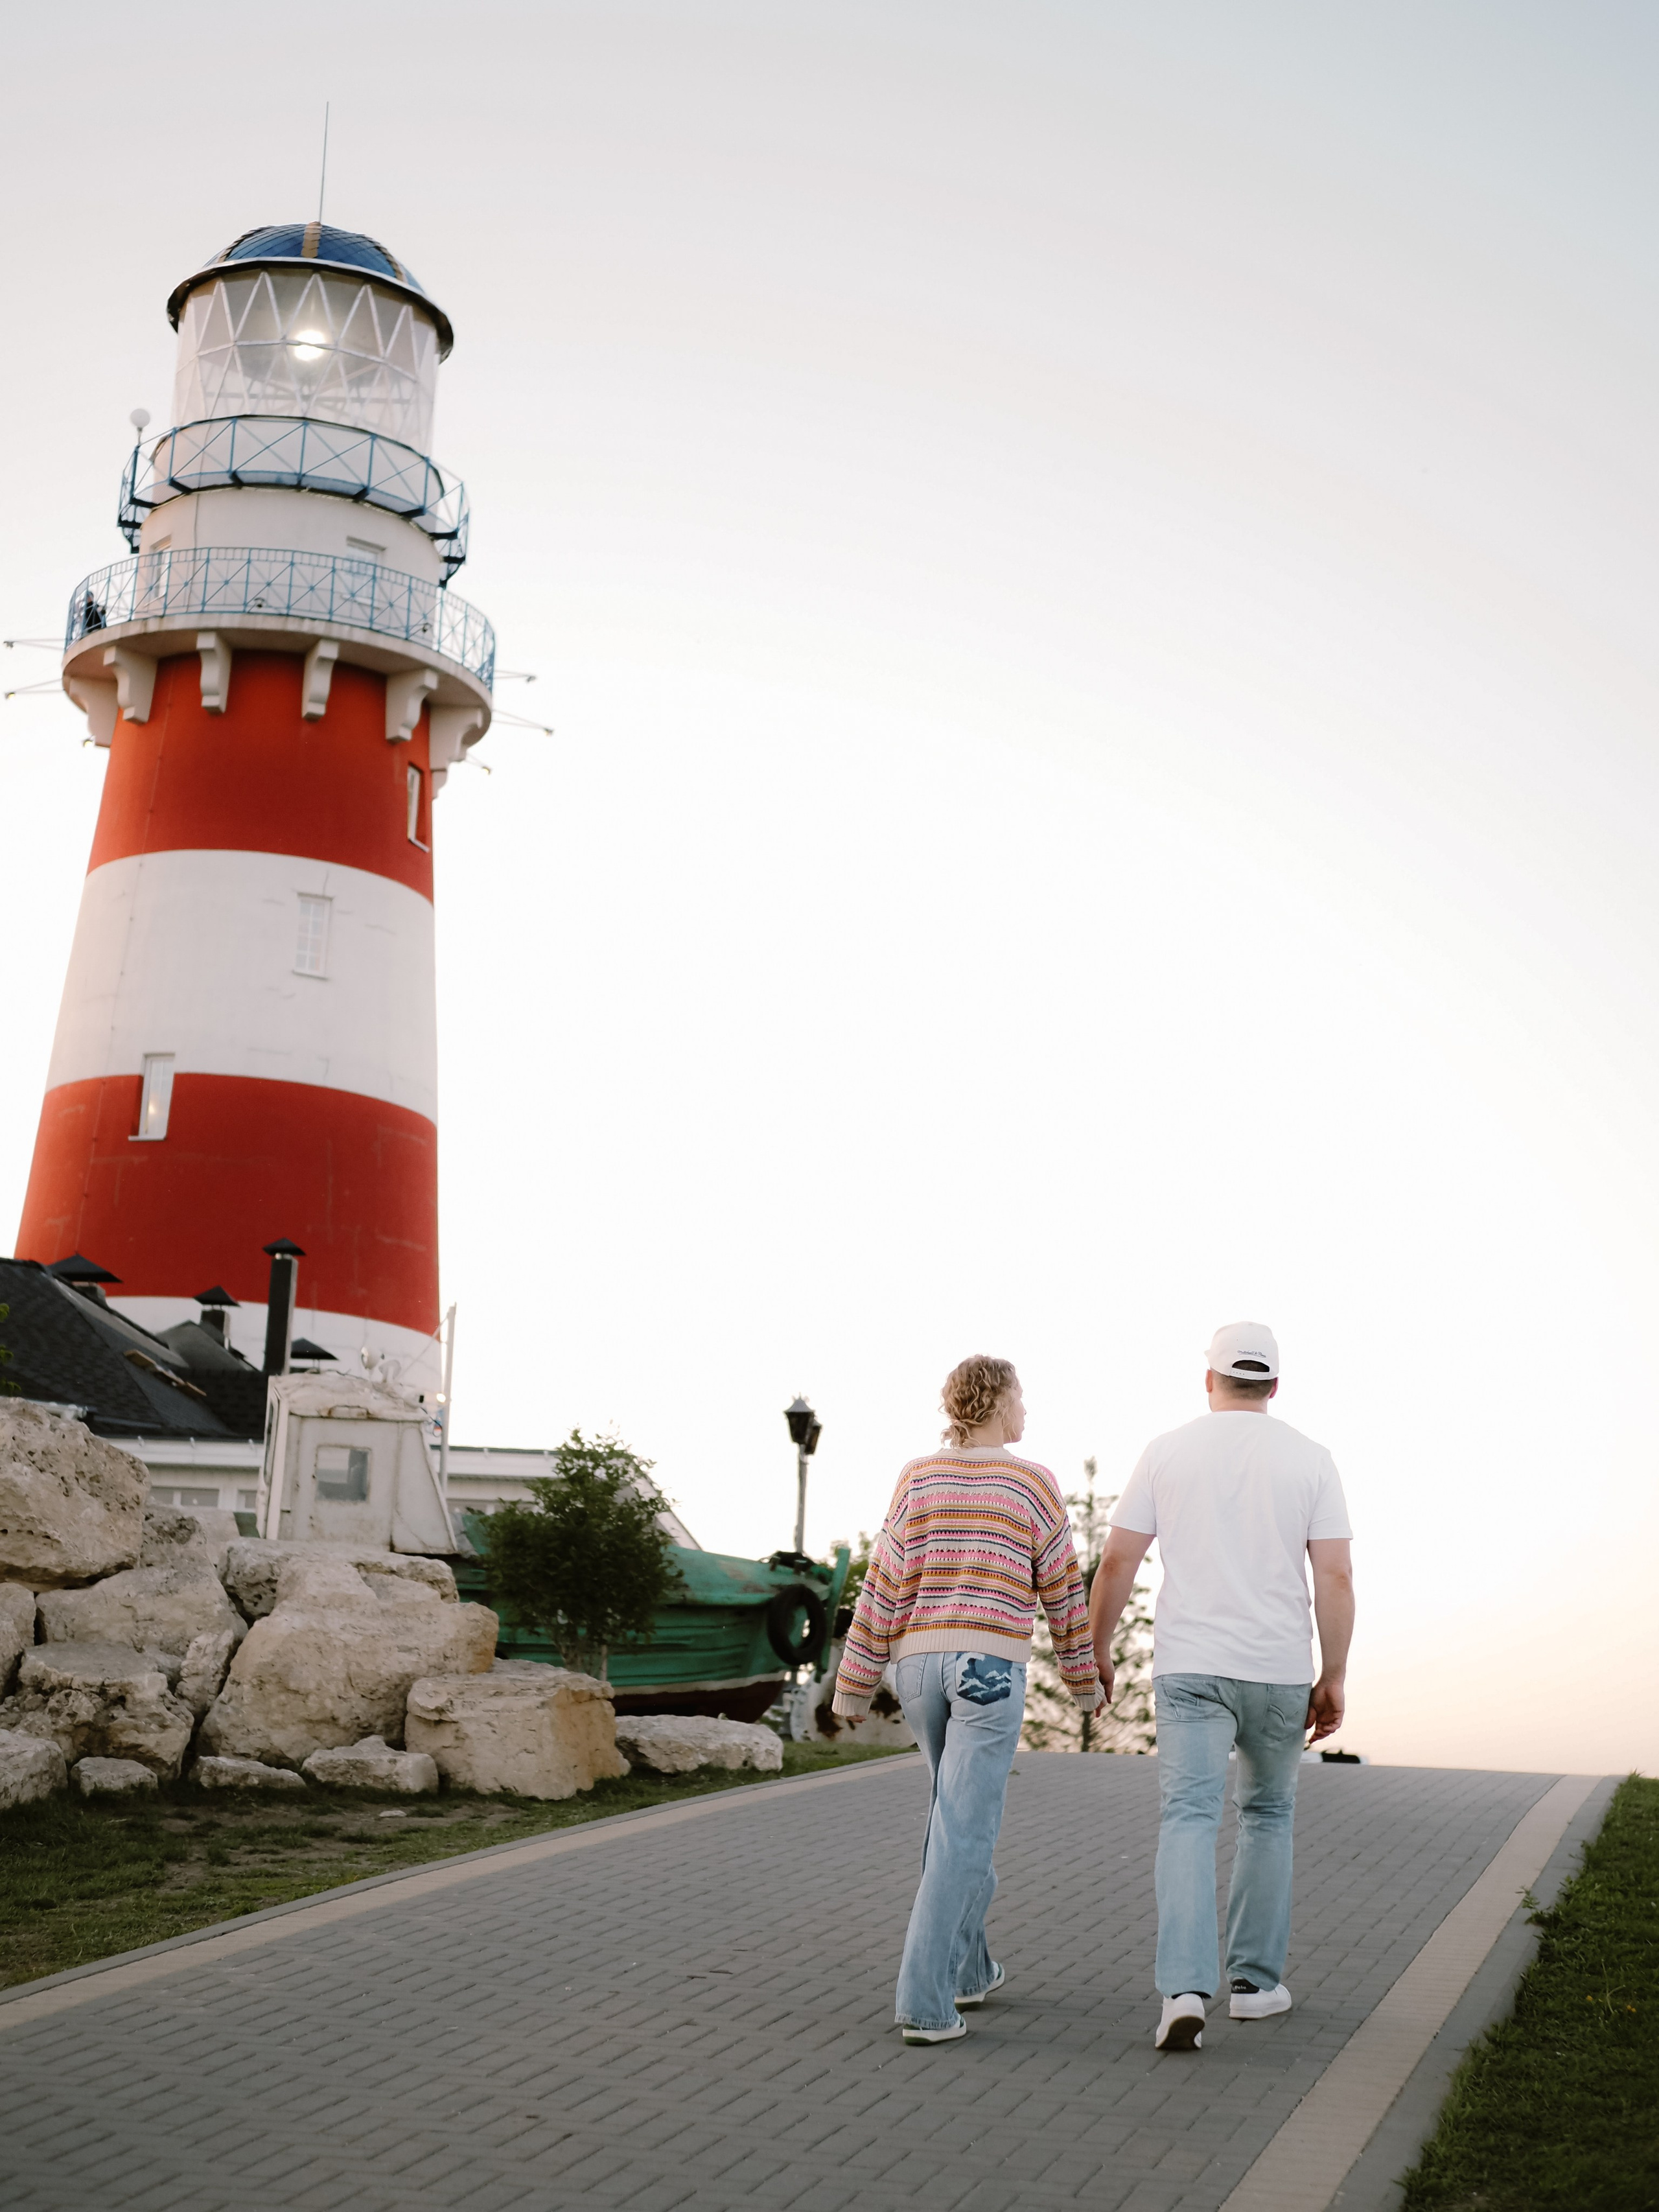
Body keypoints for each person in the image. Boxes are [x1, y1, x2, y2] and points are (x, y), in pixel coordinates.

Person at [1088, 1321, 1354, 2053]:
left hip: (1190, 1667)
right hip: (1276, 1669)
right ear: (1274, 1385)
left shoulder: (1165, 1450)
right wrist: (1332, 1674)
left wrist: (1096, 1648)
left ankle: (1181, 1989)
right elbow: (1333, 1574)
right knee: (1266, 1814)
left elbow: (1116, 1563)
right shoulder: (1311, 1459)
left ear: (1208, 1379)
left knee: (1187, 1815)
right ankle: (1254, 1986)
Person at [833, 1355, 1101, 2045]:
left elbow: (883, 1581)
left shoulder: (916, 1476)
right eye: (1022, 1397)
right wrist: (1084, 1681)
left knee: (951, 1823)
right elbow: (1064, 1595)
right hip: (987, 1666)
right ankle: (924, 2002)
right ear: (998, 1402)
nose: (1026, 1412)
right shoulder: (1033, 1481)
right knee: (965, 1829)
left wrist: (856, 1680)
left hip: (917, 1666)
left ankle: (971, 1969)